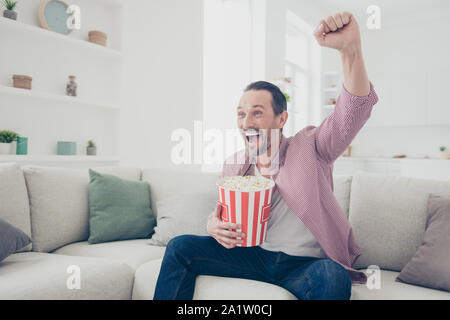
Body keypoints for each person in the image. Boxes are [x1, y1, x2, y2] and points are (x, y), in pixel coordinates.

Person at [154, 11, 378, 300]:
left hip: (305, 264)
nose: (246, 122)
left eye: (257, 113)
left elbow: (351, 113)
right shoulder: (235, 165)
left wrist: (351, 51)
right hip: (254, 257)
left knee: (333, 277)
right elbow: (224, 213)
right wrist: (213, 223)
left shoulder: (312, 147)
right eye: (241, 114)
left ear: (281, 119)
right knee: (180, 246)